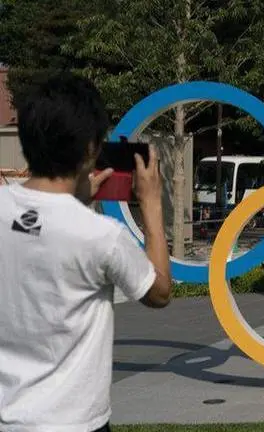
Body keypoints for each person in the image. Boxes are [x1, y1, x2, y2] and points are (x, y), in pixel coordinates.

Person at [0, 73, 172, 432]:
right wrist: (152, 207)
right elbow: (159, 292)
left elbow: (39, 229)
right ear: (90, 149)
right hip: (73, 422)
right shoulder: (100, 235)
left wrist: (75, 202)